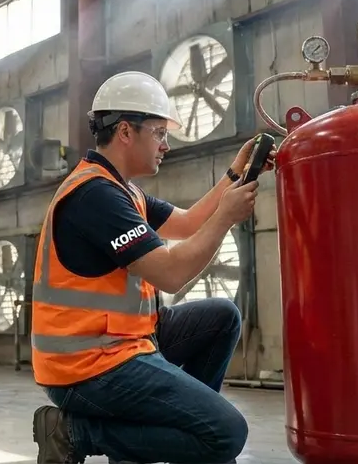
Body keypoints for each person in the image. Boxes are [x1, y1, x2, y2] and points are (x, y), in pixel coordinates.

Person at [28, 70, 273, 464]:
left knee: (221, 317)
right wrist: (227, 217)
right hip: (86, 367)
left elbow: (190, 222)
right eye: (159, 133)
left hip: (124, 342)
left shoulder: (123, 190)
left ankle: (158, 435)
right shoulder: (96, 196)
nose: (166, 145)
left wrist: (235, 173)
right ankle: (74, 433)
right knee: (226, 434)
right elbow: (171, 272)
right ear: (126, 131)